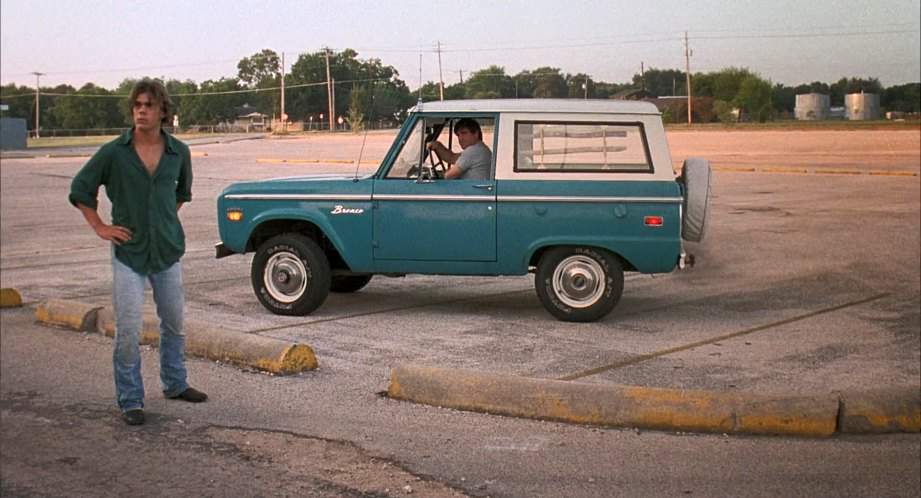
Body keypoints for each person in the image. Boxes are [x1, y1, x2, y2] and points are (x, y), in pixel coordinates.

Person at [69, 79, 207, 426]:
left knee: (174, 323)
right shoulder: (114, 152)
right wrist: (100, 226)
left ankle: (175, 383)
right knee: (128, 329)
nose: (141, 111)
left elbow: (181, 194)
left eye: (149, 105)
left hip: (167, 251)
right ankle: (130, 399)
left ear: (163, 111)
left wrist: (161, 220)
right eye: (137, 105)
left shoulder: (179, 152)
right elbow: (81, 189)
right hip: (128, 252)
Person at [427, 118, 491, 179]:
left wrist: (439, 174)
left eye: (464, 133)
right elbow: (452, 157)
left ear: (476, 134)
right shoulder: (481, 149)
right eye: (458, 135)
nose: (460, 138)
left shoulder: (473, 151)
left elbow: (449, 176)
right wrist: (438, 146)